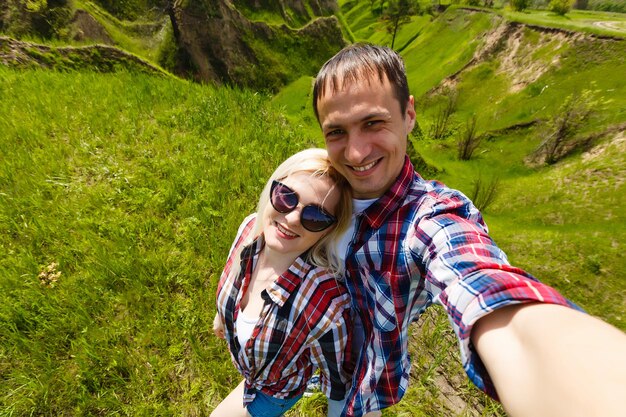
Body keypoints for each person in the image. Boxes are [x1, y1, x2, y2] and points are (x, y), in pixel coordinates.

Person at [311, 43, 626, 417]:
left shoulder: (429, 217)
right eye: (336, 133)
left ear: (409, 113)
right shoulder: (312, 188)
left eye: (373, 123)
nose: (356, 153)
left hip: (363, 383)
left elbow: (479, 281)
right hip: (303, 352)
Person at [211, 148, 354, 417]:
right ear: (272, 189)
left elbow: (341, 382)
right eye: (286, 197)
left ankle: (306, 377)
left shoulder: (325, 303)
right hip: (255, 371)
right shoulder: (250, 228)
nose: (291, 219)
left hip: (274, 391)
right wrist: (222, 316)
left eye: (316, 217)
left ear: (330, 228)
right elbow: (232, 273)